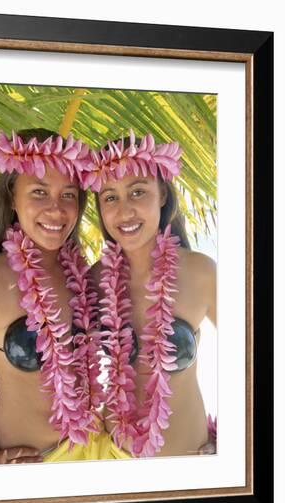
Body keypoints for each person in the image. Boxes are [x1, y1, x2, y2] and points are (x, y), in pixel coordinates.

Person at [0, 128, 106, 465]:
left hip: (97, 456)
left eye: (68, 195)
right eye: (39, 192)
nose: (56, 210)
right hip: (28, 472)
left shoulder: (87, 278)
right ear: (12, 197)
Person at [82, 130, 217, 459]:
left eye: (137, 192)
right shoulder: (93, 280)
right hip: (113, 461)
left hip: (189, 463)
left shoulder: (200, 272)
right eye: (110, 197)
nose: (124, 210)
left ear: (162, 196)